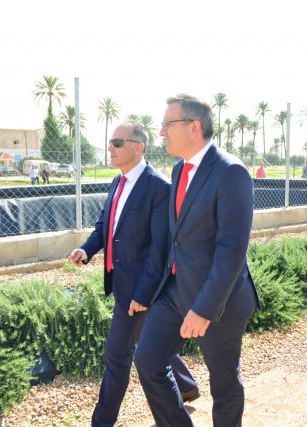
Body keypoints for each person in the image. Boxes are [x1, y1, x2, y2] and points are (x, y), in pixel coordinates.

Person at [134, 94, 260, 427]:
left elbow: (231, 250)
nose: (161, 132)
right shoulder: (180, 170)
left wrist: (204, 309)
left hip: (219, 298)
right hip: (176, 291)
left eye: (167, 125)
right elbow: (175, 237)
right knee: (148, 361)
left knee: (224, 383)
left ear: (193, 127)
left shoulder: (231, 172)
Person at [68, 121, 198, 427]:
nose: (110, 148)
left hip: (141, 290)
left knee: (117, 355)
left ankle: (102, 422)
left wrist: (142, 293)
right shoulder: (118, 182)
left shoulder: (158, 187)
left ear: (138, 147)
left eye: (117, 142)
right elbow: (105, 225)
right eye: (110, 142)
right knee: (150, 341)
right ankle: (187, 386)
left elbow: (159, 249)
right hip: (124, 284)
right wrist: (86, 250)